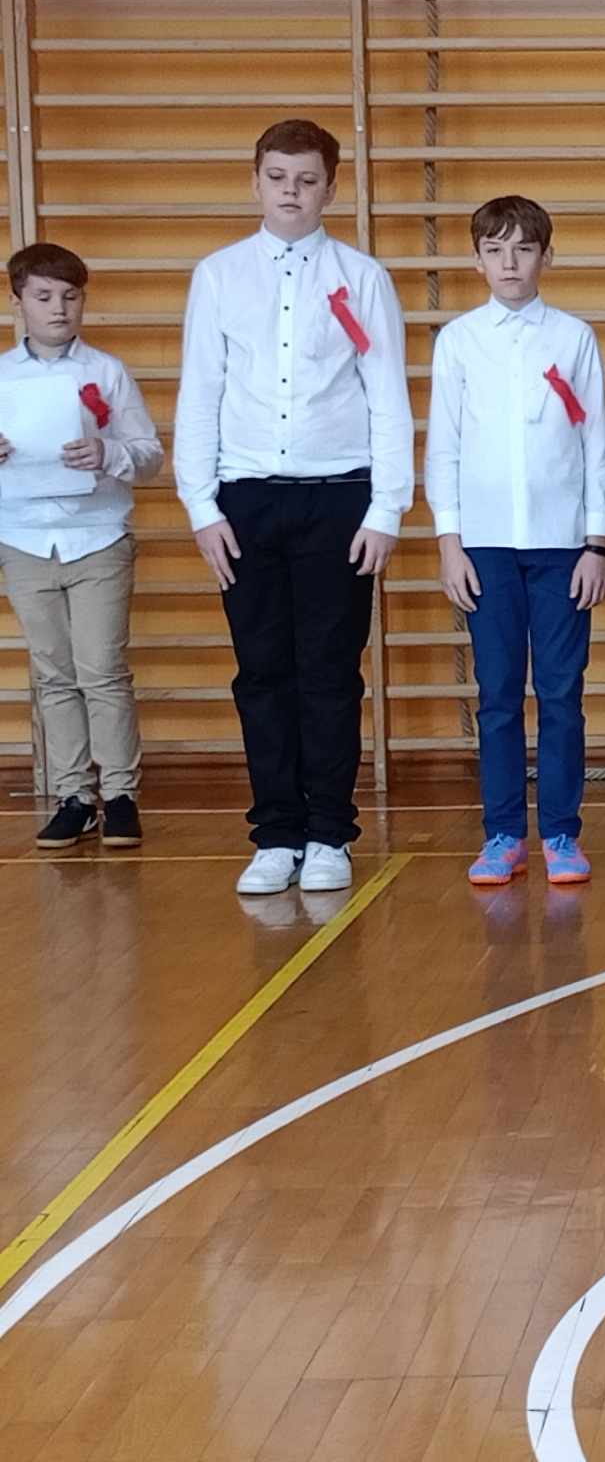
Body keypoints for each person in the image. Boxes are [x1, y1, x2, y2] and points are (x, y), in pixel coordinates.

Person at [174, 118, 411, 896]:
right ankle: (276, 834)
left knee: (331, 671)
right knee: (262, 671)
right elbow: (200, 390)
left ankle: (328, 832)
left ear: (331, 189)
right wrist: (200, 504)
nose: (291, 193)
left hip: (339, 497)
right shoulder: (218, 275)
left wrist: (387, 507)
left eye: (307, 180)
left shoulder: (363, 278)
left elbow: (386, 393)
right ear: (255, 182)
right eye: (277, 177)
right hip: (244, 500)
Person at [428, 196, 605, 887]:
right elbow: (443, 448)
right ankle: (503, 833)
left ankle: (561, 832)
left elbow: (596, 445)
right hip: (485, 548)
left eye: (524, 249)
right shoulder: (458, 341)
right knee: (498, 695)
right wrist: (450, 542)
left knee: (562, 694)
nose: (510, 263)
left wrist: (597, 543)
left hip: (563, 548)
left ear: (547, 257)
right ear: (477, 260)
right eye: (495, 249)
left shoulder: (574, 338)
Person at [0, 244, 162, 849]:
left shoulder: (106, 371)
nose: (59, 308)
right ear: (17, 302)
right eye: (43, 297)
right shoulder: (2, 375)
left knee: (102, 669)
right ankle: (73, 795)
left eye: (70, 296)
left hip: (97, 536)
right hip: (23, 537)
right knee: (52, 672)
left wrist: (108, 452)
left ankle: (119, 793)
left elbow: (149, 455)